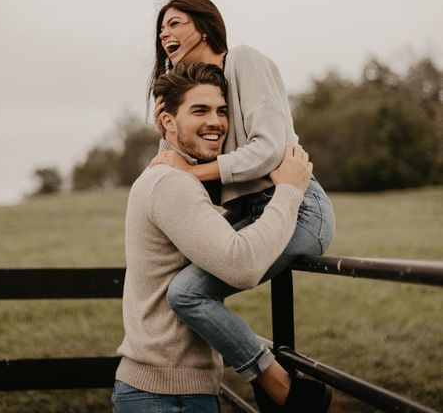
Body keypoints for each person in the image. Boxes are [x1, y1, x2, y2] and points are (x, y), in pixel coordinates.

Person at [149, 0, 335, 412]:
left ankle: (281, 387)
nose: (164, 33)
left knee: (187, 294)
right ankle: (275, 372)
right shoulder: (203, 96)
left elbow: (269, 150)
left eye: (175, 23)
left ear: (204, 26)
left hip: (298, 207)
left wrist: (193, 172)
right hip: (249, 213)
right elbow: (170, 161)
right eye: (162, 28)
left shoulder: (243, 61)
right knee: (174, 290)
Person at [113, 62, 329, 413]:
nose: (215, 122)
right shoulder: (170, 183)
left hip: (168, 389)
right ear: (168, 121)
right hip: (166, 398)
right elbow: (241, 264)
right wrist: (289, 191)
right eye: (200, 110)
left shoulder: (170, 177)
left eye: (221, 111)